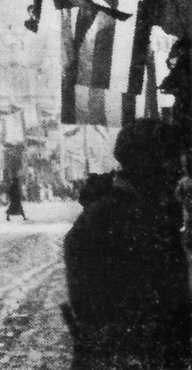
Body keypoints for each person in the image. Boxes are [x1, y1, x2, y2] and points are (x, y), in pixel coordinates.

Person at [63, 120, 191, 369]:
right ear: (147, 164)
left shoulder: (133, 213)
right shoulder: (117, 219)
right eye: (170, 162)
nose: (176, 172)